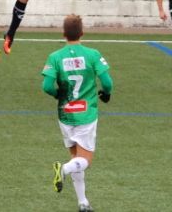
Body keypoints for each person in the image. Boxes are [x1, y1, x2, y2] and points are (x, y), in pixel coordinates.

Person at [42, 14, 113, 212]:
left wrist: (59, 95)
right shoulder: (92, 54)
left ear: (63, 34)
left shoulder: (55, 57)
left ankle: (83, 203)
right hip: (86, 114)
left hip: (65, 114)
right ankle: (62, 170)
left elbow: (46, 86)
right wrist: (106, 94)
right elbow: (107, 82)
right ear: (82, 32)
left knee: (77, 159)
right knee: (85, 161)